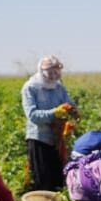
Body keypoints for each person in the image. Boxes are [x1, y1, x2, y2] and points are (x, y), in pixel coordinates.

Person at [21, 56, 77, 191]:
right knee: (43, 180)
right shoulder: (31, 88)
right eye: (50, 73)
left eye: (56, 72)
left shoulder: (59, 88)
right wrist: (54, 113)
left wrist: (73, 111)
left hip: (57, 139)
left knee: (58, 178)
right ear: (42, 72)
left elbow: (69, 104)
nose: (54, 76)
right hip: (39, 138)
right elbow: (33, 116)